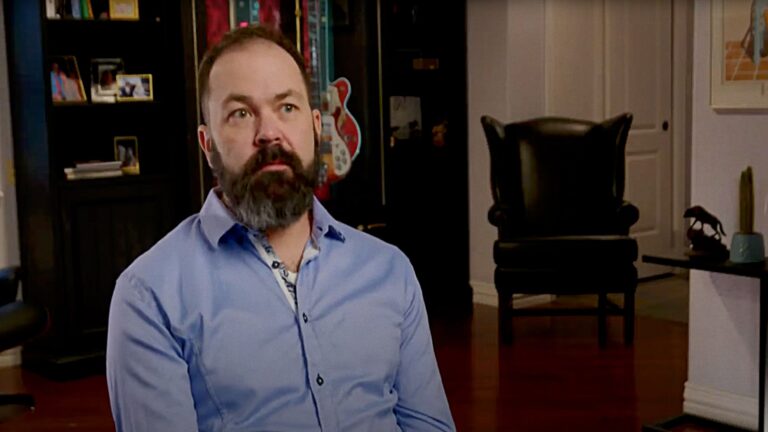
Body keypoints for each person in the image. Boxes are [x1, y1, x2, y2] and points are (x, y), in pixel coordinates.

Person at [106, 25, 455, 432]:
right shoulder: (149, 297)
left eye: (286, 107)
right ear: (208, 144)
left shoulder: (389, 270)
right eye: (240, 113)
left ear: (315, 126)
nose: (269, 132)